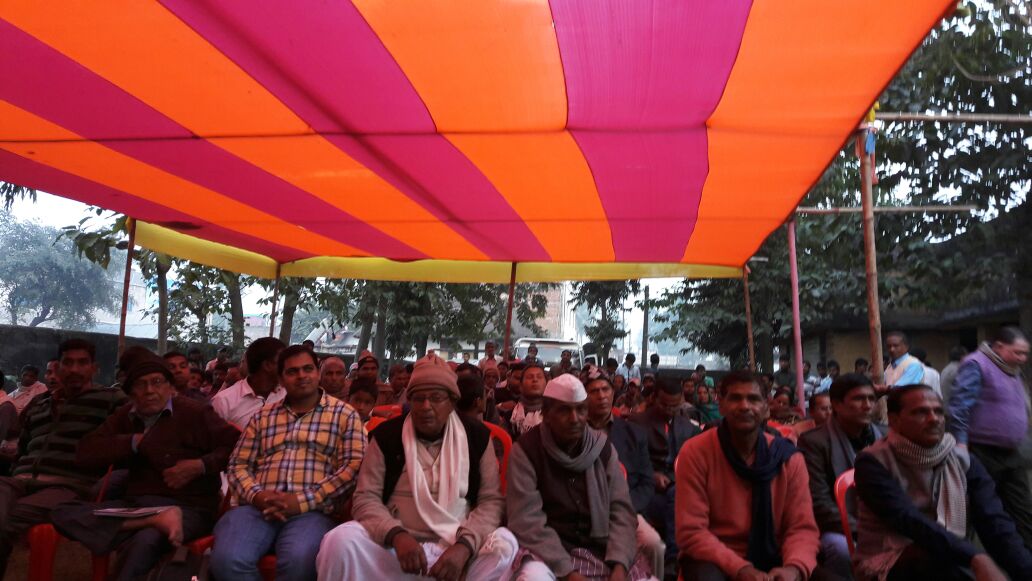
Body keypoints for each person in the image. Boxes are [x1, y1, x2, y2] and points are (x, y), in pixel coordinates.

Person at [317, 353, 516, 580]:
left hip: (455, 544)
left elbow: (490, 502)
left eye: (436, 398)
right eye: (418, 398)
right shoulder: (386, 435)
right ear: (408, 401)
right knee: (339, 541)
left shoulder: (477, 436)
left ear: (452, 401)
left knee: (504, 546)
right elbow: (365, 497)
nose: (425, 406)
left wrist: (464, 547)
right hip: (395, 548)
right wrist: (396, 535)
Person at [52, 358, 239, 580]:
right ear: (131, 394)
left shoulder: (195, 413)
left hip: (190, 506)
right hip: (137, 505)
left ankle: (148, 526)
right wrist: (133, 441)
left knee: (145, 539)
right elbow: (85, 452)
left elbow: (239, 446)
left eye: (157, 382)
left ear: (170, 388)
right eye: (141, 384)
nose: (150, 390)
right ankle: (153, 519)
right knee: (61, 513)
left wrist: (200, 465)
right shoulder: (126, 415)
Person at [211, 345, 366, 581]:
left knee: (299, 562)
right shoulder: (264, 416)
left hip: (313, 511)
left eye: (308, 369)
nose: (301, 376)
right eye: (292, 372)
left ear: (318, 373)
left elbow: (353, 467)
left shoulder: (345, 415)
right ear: (281, 379)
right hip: (257, 508)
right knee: (228, 560)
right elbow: (238, 465)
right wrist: (258, 496)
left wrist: (301, 501)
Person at [854, 385, 1032, 580]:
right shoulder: (872, 462)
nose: (934, 419)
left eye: (938, 411)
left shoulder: (962, 460)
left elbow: (993, 520)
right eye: (920, 412)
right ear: (894, 420)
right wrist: (975, 556)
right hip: (890, 558)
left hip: (952, 552)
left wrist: (1024, 569)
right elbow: (908, 520)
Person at [0, 339, 129, 576]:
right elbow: (23, 447)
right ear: (58, 367)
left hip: (67, 486)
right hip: (19, 481)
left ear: (95, 369)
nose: (75, 369)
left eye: (82, 363)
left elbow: (136, 436)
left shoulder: (112, 400)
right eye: (68, 362)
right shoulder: (40, 403)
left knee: (11, 519)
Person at [676, 371, 819, 581]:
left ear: (765, 408)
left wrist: (794, 568)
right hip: (715, 559)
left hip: (778, 558)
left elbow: (801, 527)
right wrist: (741, 569)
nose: (744, 406)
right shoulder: (696, 452)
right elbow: (691, 531)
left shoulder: (788, 458)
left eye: (753, 399)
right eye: (735, 398)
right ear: (721, 405)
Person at [508, 374, 652, 580]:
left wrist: (620, 565)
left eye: (580, 410)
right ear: (546, 414)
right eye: (565, 410)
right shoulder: (526, 450)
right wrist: (569, 573)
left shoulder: (602, 448)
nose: (575, 418)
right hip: (546, 549)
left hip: (599, 548)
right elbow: (526, 520)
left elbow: (621, 511)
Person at [948, 327, 1032, 550]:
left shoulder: (1011, 369)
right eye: (1018, 353)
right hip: (982, 451)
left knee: (1022, 508)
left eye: (1025, 354)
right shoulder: (977, 364)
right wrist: (961, 444)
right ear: (999, 347)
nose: (1022, 358)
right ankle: (963, 558)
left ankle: (1025, 560)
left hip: (1011, 452)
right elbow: (959, 407)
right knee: (979, 507)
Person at [798, 374, 884, 580]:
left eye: (872, 399)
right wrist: (864, 530)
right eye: (858, 399)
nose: (867, 405)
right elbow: (820, 503)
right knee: (842, 550)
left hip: (886, 521)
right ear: (836, 404)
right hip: (839, 527)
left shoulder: (886, 436)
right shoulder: (814, 442)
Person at [584, 366, 666, 579]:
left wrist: (627, 508)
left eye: (605, 389)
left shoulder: (633, 433)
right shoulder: (574, 432)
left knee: (654, 544)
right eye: (594, 391)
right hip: (584, 510)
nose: (601, 396)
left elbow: (646, 481)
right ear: (584, 396)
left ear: (613, 393)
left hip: (628, 509)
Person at [630, 378, 702, 576]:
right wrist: (651, 475)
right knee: (677, 500)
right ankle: (674, 558)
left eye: (675, 405)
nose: (670, 409)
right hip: (648, 489)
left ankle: (676, 557)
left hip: (679, 484)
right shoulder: (636, 423)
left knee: (681, 496)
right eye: (665, 404)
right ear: (653, 398)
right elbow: (628, 461)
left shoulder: (687, 425)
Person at [211, 337, 286, 429]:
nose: (289, 366)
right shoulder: (224, 401)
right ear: (267, 365)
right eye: (283, 361)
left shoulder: (288, 393)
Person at [501, 361, 547, 441]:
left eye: (539, 377)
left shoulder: (554, 416)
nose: (535, 380)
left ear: (546, 384)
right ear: (521, 386)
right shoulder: (510, 417)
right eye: (530, 377)